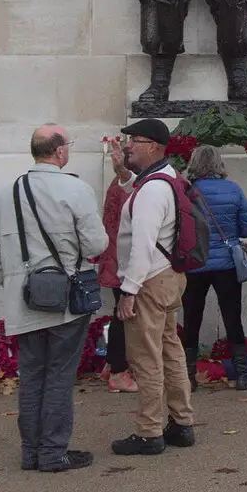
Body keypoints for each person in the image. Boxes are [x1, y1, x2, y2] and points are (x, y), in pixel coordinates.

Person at [0, 124, 107, 472]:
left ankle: (31, 451)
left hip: (23, 301)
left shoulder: (7, 192)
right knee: (59, 376)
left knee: (32, 375)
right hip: (66, 300)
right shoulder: (76, 189)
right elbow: (97, 245)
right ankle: (52, 452)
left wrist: (17, 282)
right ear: (60, 151)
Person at [111, 117, 196, 456]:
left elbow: (143, 243)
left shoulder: (153, 190)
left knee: (145, 357)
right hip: (169, 278)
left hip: (148, 281)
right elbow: (143, 193)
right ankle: (182, 423)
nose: (128, 145)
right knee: (170, 350)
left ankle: (149, 432)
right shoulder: (167, 178)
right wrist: (123, 175)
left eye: (135, 140)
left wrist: (128, 291)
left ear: (155, 147)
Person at [180, 144, 247, 390]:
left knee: (191, 319)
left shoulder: (186, 191)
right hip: (226, 262)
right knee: (232, 317)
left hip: (195, 262)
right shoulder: (233, 190)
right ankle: (243, 374)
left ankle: (188, 377)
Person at [99, 136, 138, 392]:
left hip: (113, 255)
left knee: (120, 313)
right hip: (123, 258)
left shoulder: (117, 184)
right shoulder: (126, 186)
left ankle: (111, 365)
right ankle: (118, 371)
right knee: (125, 315)